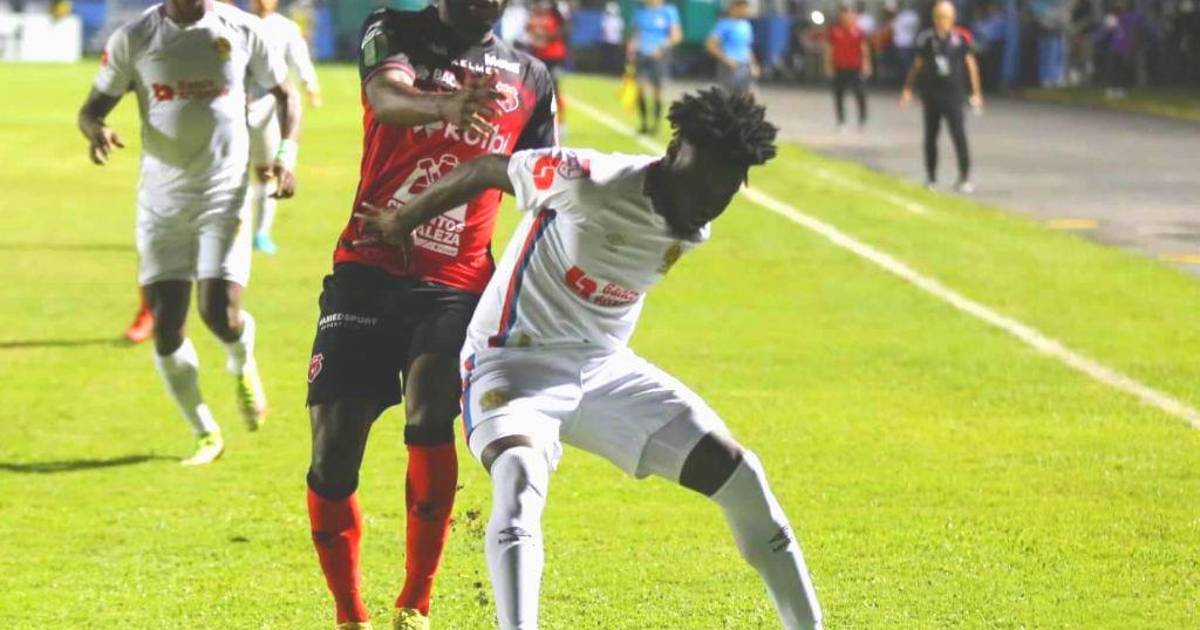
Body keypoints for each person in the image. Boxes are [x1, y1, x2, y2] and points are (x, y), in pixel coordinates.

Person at [356, 88, 824, 630]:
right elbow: (485, 167)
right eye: (701, 183)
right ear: (675, 151)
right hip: (511, 364)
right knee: (520, 475)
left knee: (742, 475)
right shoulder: (590, 180)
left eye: (723, 193)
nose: (706, 203)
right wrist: (401, 221)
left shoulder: (697, 221)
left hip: (604, 370)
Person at [302, 0, 558, 627]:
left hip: (457, 280)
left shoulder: (530, 77)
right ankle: (350, 614)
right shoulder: (394, 29)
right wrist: (444, 106)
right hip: (368, 265)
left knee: (430, 408)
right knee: (334, 451)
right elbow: (385, 96)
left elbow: (537, 180)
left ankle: (415, 602)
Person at [77, 0, 301, 465]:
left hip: (224, 195)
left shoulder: (241, 29)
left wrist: (285, 155)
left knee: (218, 312)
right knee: (166, 326)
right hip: (161, 203)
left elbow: (286, 94)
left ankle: (241, 360)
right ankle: (205, 433)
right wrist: (96, 130)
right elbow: (91, 110)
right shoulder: (135, 38)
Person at [244, 0, 321, 255]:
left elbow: (299, 58)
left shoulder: (285, 28)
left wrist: (310, 84)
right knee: (233, 171)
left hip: (268, 106)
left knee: (266, 171)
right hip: (235, 107)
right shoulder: (238, 24)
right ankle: (236, 229)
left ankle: (261, 234)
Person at [901, 0, 982, 193]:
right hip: (932, 94)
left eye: (945, 17)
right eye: (938, 17)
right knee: (930, 136)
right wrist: (908, 88)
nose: (942, 21)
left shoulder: (961, 38)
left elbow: (971, 65)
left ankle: (964, 177)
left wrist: (976, 93)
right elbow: (918, 64)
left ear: (952, 18)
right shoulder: (927, 39)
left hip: (953, 94)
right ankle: (931, 177)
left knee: (958, 135)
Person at [627, 0, 682, 134]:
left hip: (659, 56)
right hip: (641, 54)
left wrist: (661, 48)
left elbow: (676, 36)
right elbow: (636, 33)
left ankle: (655, 125)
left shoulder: (669, 11)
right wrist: (631, 47)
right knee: (640, 88)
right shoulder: (640, 11)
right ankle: (644, 123)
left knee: (657, 90)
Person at [826, 4, 872, 130]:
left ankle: (862, 120)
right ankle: (841, 121)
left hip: (855, 67)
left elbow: (864, 49)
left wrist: (866, 64)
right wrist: (829, 65)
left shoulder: (859, 31)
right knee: (839, 95)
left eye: (849, 14)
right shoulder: (835, 31)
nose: (847, 17)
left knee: (860, 93)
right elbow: (830, 49)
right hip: (840, 67)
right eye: (844, 14)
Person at [526, 0, 569, 129]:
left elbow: (564, 29)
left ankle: (561, 122)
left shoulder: (556, 13)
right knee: (533, 88)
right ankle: (535, 120)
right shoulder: (534, 14)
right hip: (537, 55)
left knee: (554, 88)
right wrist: (534, 39)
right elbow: (528, 30)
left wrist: (546, 37)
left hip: (553, 56)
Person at [707, 0, 759, 94]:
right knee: (729, 97)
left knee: (748, 96)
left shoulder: (746, 25)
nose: (747, 10)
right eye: (743, 7)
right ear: (734, 7)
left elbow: (747, 48)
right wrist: (727, 59)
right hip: (730, 67)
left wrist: (753, 65)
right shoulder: (723, 25)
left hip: (745, 66)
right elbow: (710, 46)